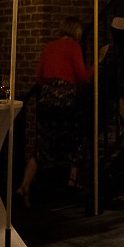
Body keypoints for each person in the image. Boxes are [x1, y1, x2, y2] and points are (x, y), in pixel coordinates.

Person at [16, 16, 97, 206]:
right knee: (78, 138)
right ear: (76, 31)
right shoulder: (73, 47)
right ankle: (72, 180)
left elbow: (39, 76)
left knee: (43, 146)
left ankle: (24, 185)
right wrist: (97, 63)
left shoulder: (49, 47)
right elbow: (83, 76)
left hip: (45, 100)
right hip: (66, 102)